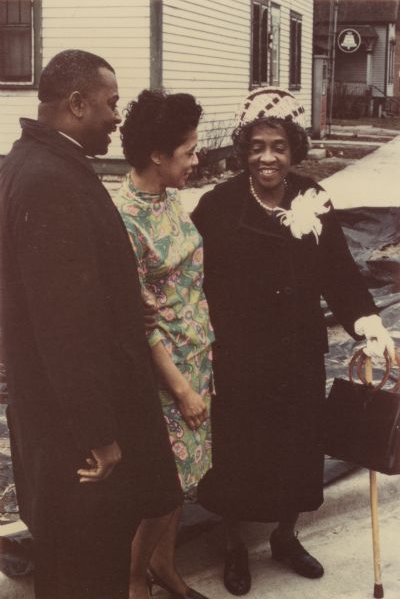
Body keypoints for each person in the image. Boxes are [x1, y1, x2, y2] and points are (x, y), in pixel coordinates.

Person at [191, 87, 395, 595]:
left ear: (295, 148)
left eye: (278, 145)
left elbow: (342, 276)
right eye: (257, 145)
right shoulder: (218, 206)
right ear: (242, 149)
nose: (267, 157)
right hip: (239, 357)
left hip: (299, 354)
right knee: (238, 453)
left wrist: (367, 324)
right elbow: (192, 283)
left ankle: (286, 535)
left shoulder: (314, 199)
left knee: (296, 452)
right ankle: (236, 544)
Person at [0, 50, 182, 599]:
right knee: (87, 568)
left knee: (69, 560)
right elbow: (63, 327)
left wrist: (126, 303)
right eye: (110, 104)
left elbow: (53, 292)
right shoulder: (52, 181)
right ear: (76, 104)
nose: (116, 117)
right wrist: (99, 437)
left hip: (51, 417)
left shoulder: (30, 162)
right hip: (74, 438)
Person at [113, 89, 214, 599]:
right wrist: (181, 390)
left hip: (196, 359)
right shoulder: (123, 219)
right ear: (157, 155)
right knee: (163, 486)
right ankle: (135, 578)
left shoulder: (170, 197)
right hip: (164, 376)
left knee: (184, 480)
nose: (196, 160)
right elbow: (137, 319)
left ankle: (166, 567)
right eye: (189, 151)